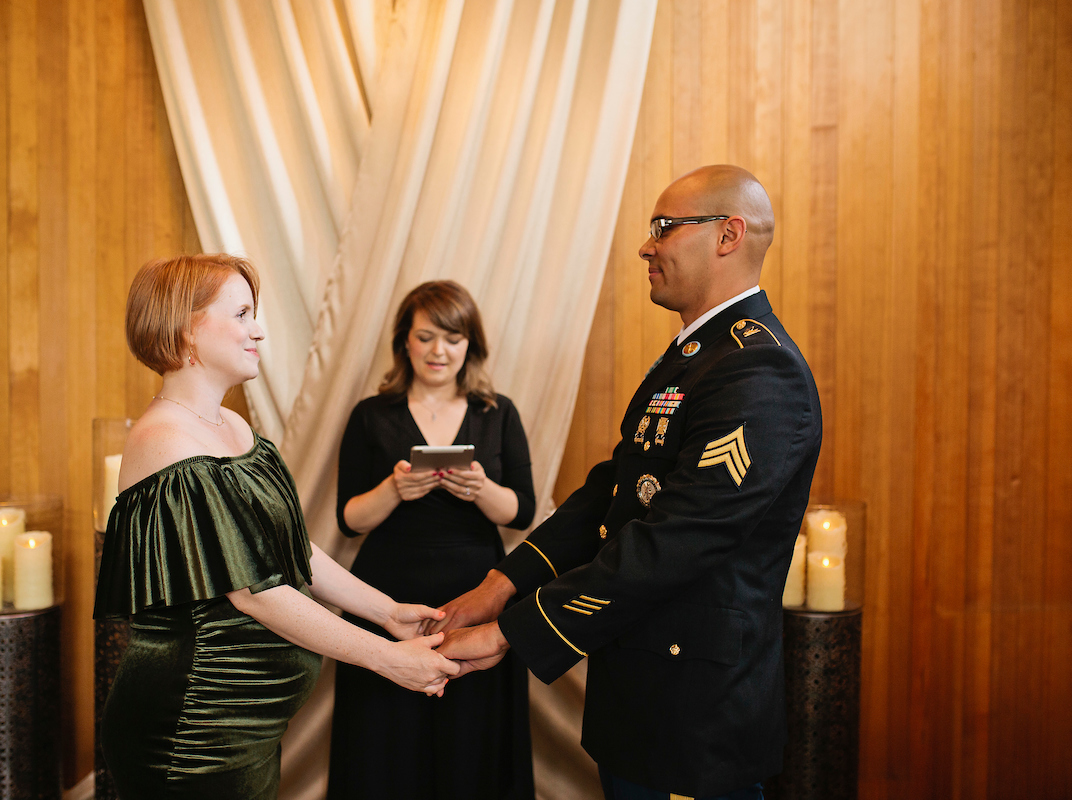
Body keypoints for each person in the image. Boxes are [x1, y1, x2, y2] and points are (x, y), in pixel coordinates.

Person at [434, 166, 824, 800]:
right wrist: (503, 582)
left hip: (695, 713)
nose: (647, 246)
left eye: (664, 228)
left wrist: (515, 628)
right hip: (644, 695)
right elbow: (615, 491)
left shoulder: (760, 370)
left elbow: (678, 540)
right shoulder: (698, 356)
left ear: (728, 235)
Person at [93, 254, 459, 800]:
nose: (258, 330)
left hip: (247, 719)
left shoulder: (233, 426)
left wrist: (389, 613)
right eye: (241, 314)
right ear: (185, 327)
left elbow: (289, 551)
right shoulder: (164, 440)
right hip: (196, 724)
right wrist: (387, 660)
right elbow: (256, 594)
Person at [327, 281, 537, 800]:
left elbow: (524, 512)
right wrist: (395, 489)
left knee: (472, 728)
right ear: (404, 342)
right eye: (425, 338)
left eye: (452, 337)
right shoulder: (371, 415)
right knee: (385, 730)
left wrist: (484, 490)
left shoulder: (498, 411)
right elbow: (348, 519)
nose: (438, 351)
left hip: (477, 591)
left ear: (471, 345)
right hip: (388, 590)